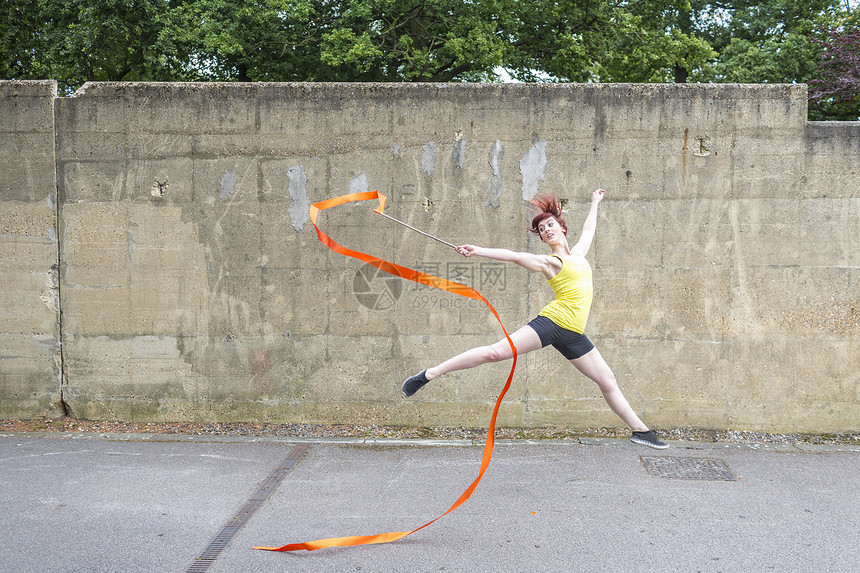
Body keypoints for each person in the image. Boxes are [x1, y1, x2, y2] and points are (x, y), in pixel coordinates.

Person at [401, 189, 668, 449]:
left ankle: (641, 431)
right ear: (542, 238)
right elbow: (516, 256)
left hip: (574, 332)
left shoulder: (578, 256)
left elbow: (588, 231)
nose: (547, 230)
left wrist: (594, 202)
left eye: (550, 225)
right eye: (542, 230)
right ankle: (428, 374)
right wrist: (478, 250)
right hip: (552, 324)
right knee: (496, 353)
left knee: (607, 380)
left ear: (562, 228)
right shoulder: (549, 262)